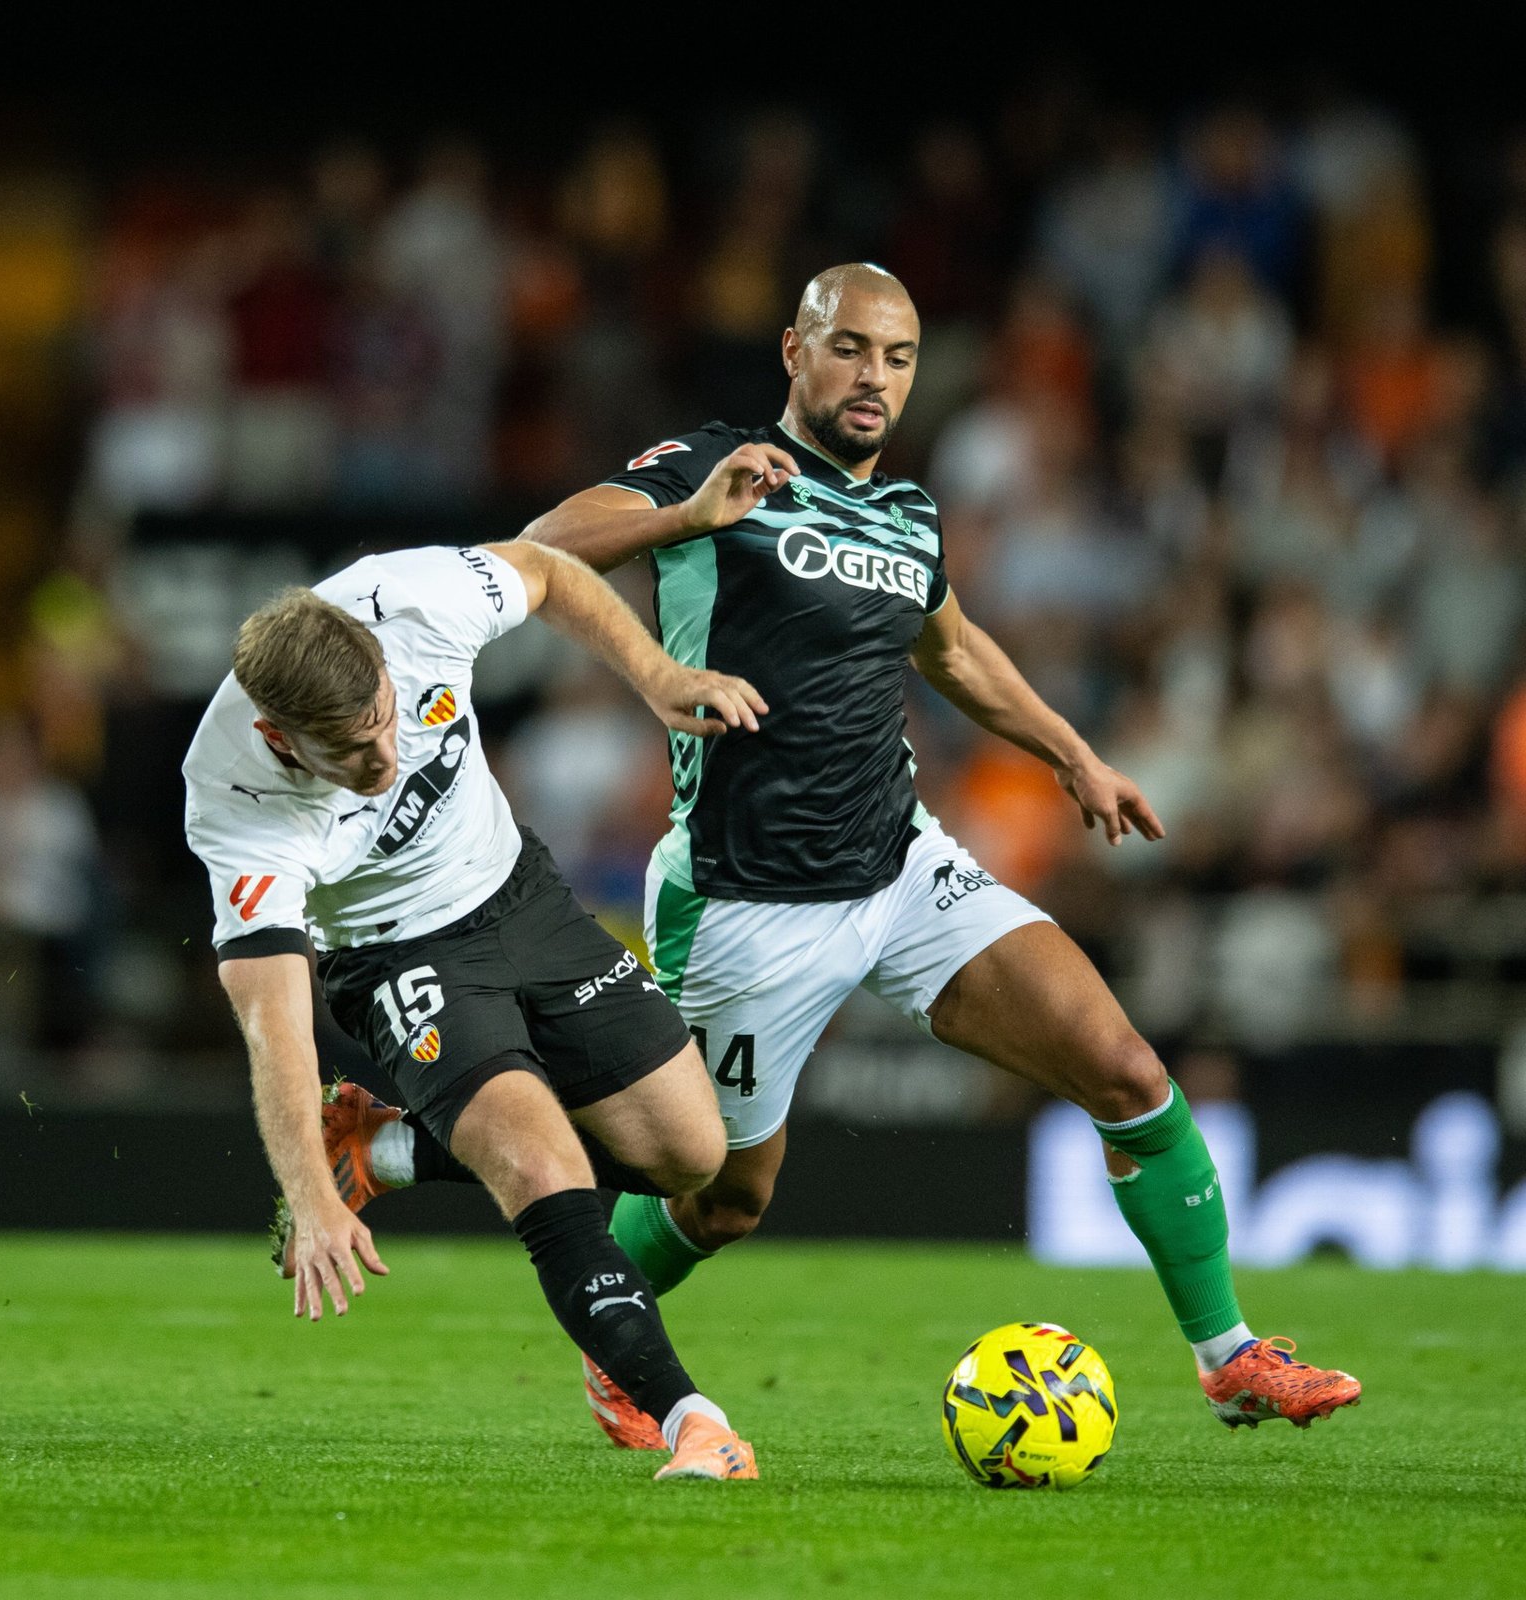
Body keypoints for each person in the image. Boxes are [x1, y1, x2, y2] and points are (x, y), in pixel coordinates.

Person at [335, 264, 1361, 1441]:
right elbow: (534, 553)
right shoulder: (711, 464)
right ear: (795, 350)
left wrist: (1073, 755)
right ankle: (406, 1154)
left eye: (899, 356)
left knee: (1124, 1069)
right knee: (715, 1189)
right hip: (747, 899)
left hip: (903, 863)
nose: (875, 376)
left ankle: (1229, 1356)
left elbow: (953, 651)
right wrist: (687, 516)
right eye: (851, 348)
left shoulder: (909, 513)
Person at [182, 539, 765, 1480]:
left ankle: (385, 1148)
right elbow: (273, 1022)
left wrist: (656, 675)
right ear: (281, 741)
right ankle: (691, 1421)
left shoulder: (411, 600)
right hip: (397, 955)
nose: (386, 758)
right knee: (540, 1165)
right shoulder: (235, 802)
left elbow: (550, 566)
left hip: (520, 893)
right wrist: (310, 1197)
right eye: (351, 752)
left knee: (692, 1156)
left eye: (387, 721)